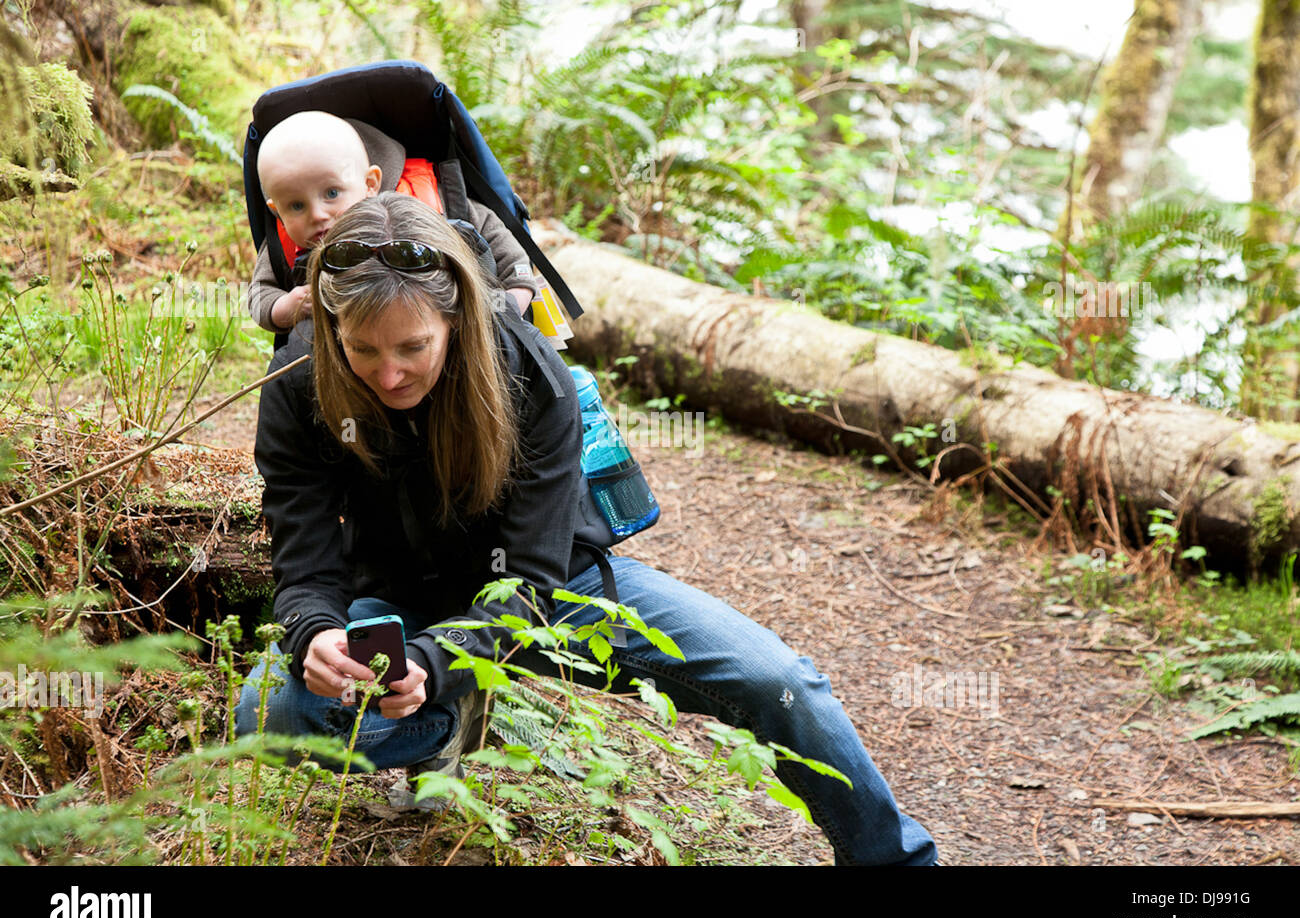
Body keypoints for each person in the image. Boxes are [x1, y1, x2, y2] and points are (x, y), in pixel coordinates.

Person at [236, 192, 938, 866]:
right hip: (393, 596)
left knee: (775, 679)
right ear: (330, 331)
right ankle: (447, 720)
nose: (389, 375)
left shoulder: (530, 373)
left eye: (414, 347)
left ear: (457, 319)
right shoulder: (299, 380)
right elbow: (304, 562)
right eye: (363, 351)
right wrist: (315, 633)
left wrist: (436, 658)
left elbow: (532, 581)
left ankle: (896, 859)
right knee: (268, 715)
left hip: (549, 589)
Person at [247, 109, 537, 334]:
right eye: (296, 206)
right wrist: (285, 307)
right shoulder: (285, 241)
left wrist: (502, 312)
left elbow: (512, 261)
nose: (318, 214)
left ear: (370, 183)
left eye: (332, 193)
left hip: (449, 339)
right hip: (339, 358)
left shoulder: (426, 206)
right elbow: (259, 294)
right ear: (277, 210)